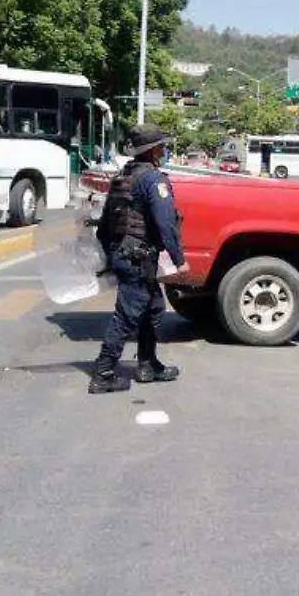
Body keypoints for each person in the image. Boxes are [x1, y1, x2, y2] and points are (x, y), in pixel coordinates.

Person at [90, 123, 187, 394]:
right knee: (126, 316)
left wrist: (111, 256)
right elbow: (166, 224)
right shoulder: (154, 180)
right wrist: (179, 259)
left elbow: (104, 224)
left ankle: (148, 365)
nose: (165, 150)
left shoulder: (123, 176)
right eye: (163, 146)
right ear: (155, 150)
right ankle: (103, 373)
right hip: (138, 258)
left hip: (125, 253)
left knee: (153, 308)